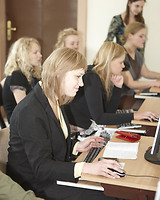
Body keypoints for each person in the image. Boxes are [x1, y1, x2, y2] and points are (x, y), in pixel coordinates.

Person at [7, 47, 124, 200]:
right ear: (58, 72)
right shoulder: (29, 111)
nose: (81, 84)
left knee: (113, 189)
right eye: (78, 76)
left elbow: (50, 142)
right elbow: (41, 167)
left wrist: (76, 147)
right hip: (34, 185)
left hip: (49, 178)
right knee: (111, 195)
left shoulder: (54, 100)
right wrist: (87, 167)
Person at [64, 42, 158, 130]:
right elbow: (100, 118)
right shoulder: (92, 77)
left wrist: (117, 88)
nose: (123, 66)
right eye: (120, 62)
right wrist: (135, 115)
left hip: (89, 126)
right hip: (78, 129)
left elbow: (109, 113)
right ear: (109, 61)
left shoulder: (103, 77)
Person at [120, 22, 160, 108]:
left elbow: (146, 73)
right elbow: (131, 83)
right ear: (130, 36)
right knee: (152, 108)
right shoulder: (121, 54)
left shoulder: (137, 54)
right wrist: (154, 83)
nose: (145, 39)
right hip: (121, 97)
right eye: (141, 36)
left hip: (131, 94)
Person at [2, 37, 42, 122]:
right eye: (35, 53)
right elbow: (24, 108)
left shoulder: (32, 76)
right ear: (23, 55)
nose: (40, 55)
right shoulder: (17, 75)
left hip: (29, 122)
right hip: (21, 126)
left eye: (39, 52)